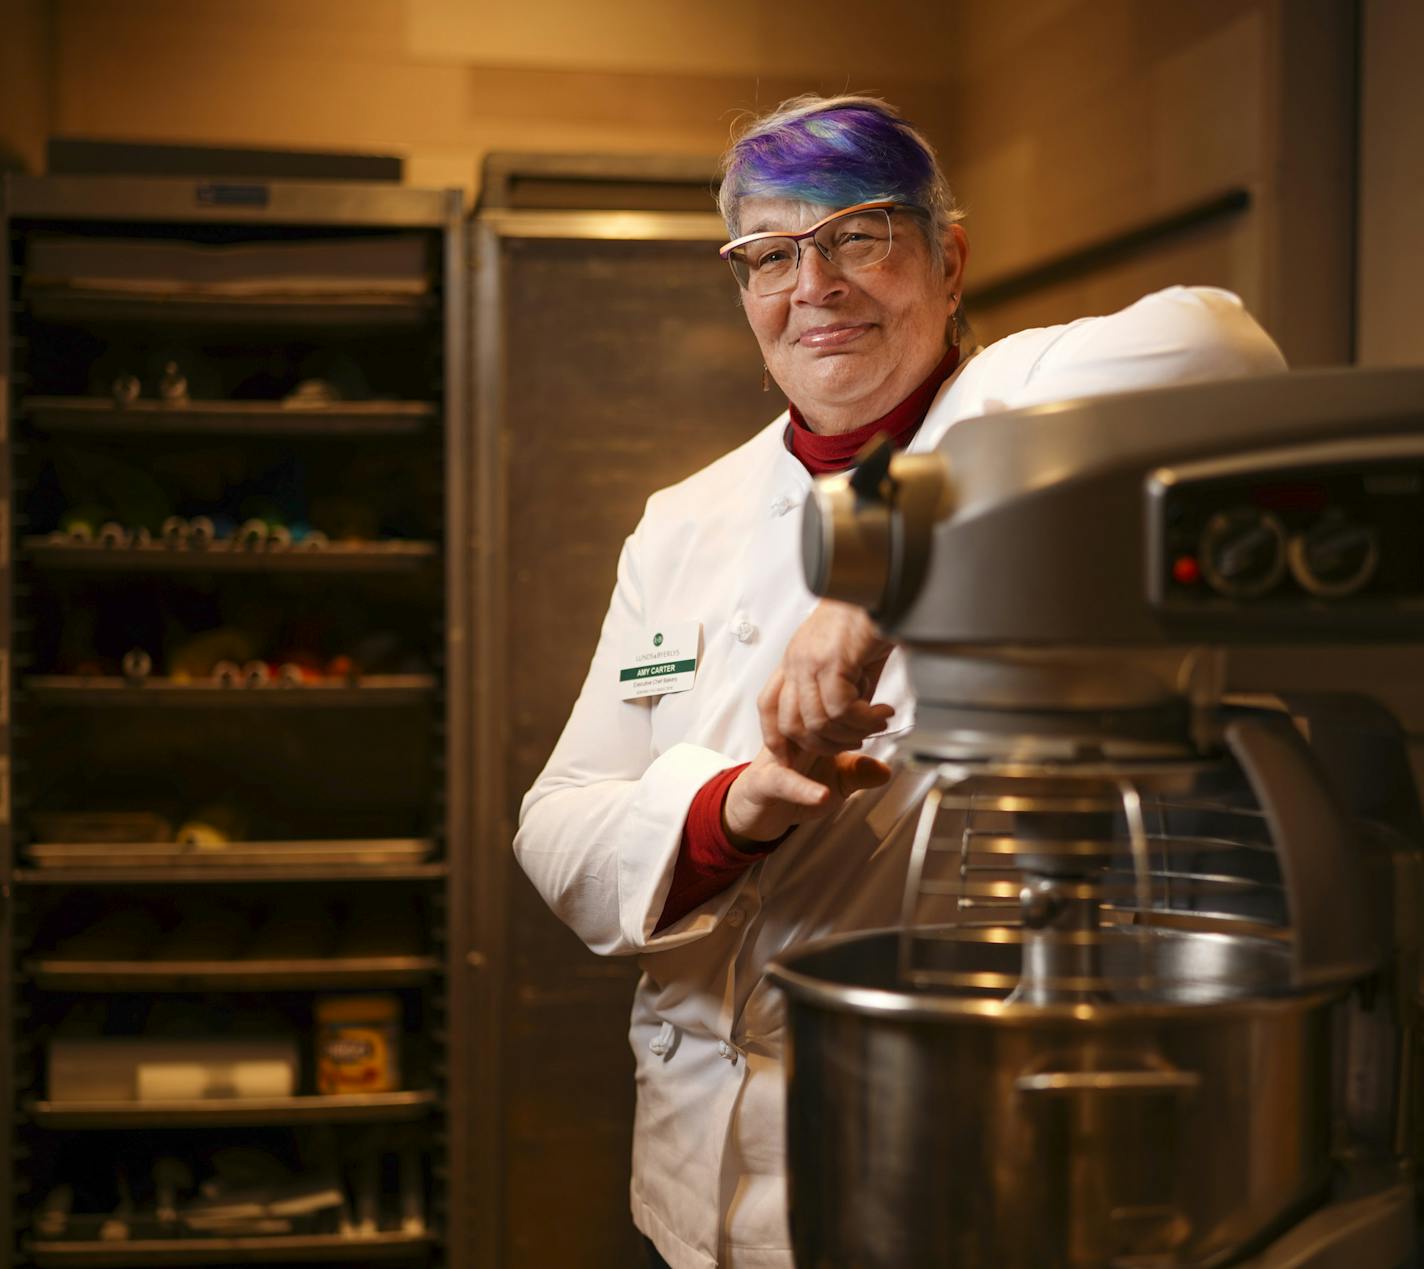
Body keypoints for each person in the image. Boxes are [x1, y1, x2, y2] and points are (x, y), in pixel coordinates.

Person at [514, 93, 1286, 1269]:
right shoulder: (684, 518)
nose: (811, 285)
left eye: (858, 234)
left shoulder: (1028, 396)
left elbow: (1224, 343)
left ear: (948, 257)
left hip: (959, 1157)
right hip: (695, 1182)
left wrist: (881, 555)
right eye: (767, 255)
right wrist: (730, 807)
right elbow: (556, 824)